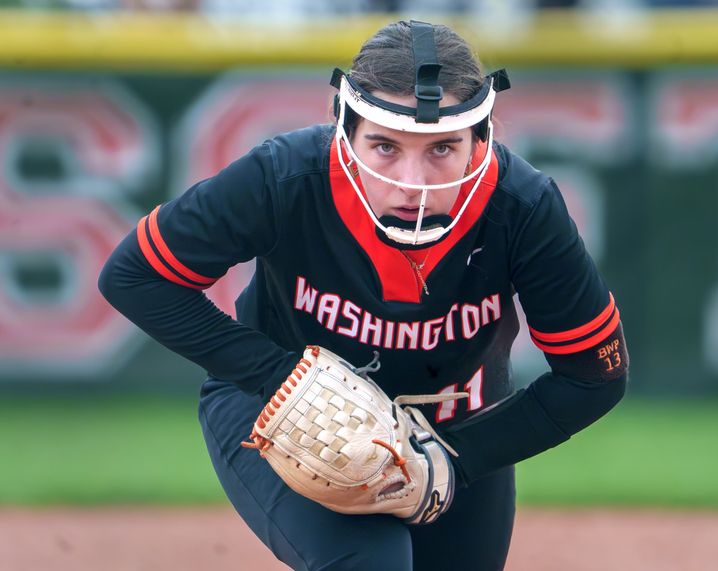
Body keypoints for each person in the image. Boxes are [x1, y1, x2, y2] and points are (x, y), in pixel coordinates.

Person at [99, 20, 628, 571]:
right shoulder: (285, 176)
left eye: (442, 148)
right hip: (279, 413)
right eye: (384, 146)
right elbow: (133, 275)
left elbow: (595, 375)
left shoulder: (522, 206)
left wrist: (457, 460)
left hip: (457, 428)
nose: (411, 183)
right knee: (369, 562)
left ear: (482, 137)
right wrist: (277, 376)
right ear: (344, 132)